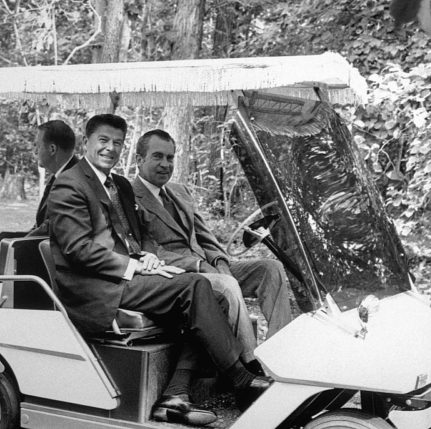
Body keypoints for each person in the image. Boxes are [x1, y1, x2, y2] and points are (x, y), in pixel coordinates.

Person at [48, 114, 271, 425]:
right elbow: (77, 249)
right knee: (195, 287)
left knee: (210, 291)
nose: (110, 148)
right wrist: (133, 264)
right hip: (94, 287)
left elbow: (129, 239)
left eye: (117, 143)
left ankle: (174, 395)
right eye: (103, 141)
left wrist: (145, 258)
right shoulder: (68, 185)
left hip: (125, 276)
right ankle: (240, 379)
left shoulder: (119, 185)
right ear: (87, 142)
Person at [132, 129, 293, 349]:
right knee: (226, 285)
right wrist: (198, 265)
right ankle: (249, 363)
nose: (165, 164)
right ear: (139, 160)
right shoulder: (128, 196)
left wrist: (220, 262)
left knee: (270, 268)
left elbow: (204, 236)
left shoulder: (180, 191)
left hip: (209, 268)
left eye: (170, 158)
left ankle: (282, 351)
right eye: (157, 156)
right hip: (177, 277)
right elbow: (146, 249)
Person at [0, 120, 78, 272]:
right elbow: (41, 225)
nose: (34, 151)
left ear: (52, 149)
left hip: (63, 264)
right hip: (47, 247)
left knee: (6, 249)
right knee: (1, 238)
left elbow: (50, 228)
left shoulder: (74, 180)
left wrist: (11, 252)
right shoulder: (61, 175)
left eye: (37, 146)